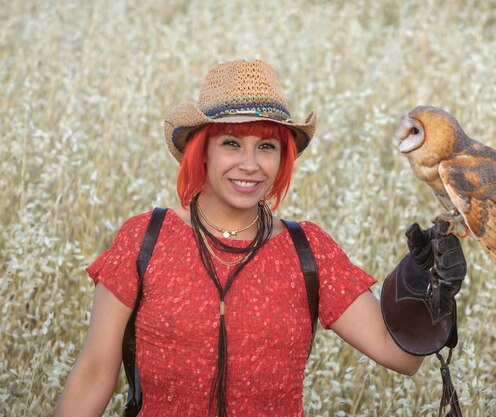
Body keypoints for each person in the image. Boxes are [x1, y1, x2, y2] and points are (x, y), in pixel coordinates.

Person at [55, 59, 466, 417]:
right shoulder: (145, 238)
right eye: (232, 143)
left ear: (282, 157)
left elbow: (400, 357)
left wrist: (426, 289)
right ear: (203, 152)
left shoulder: (308, 250)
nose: (250, 165)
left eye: (267, 146)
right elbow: (93, 375)